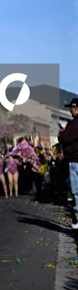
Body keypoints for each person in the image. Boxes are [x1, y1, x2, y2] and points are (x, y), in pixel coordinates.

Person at [59, 97, 78, 228]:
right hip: (74, 159)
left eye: (71, 108)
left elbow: (65, 138)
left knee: (76, 192)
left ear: (76, 108)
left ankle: (77, 219)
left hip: (75, 161)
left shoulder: (75, 123)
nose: (70, 111)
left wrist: (61, 133)